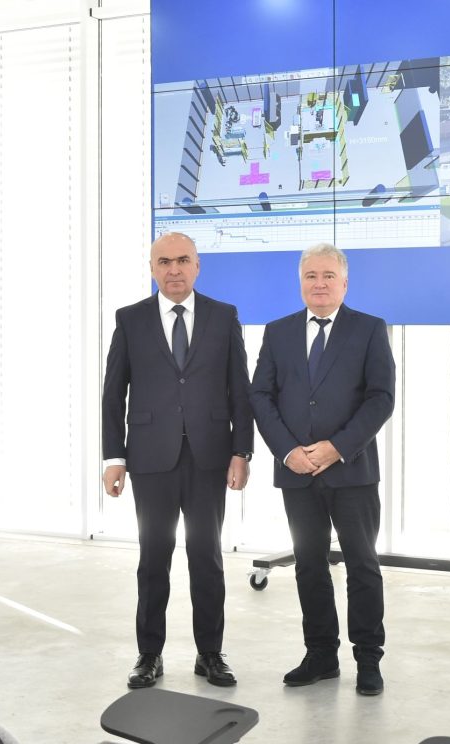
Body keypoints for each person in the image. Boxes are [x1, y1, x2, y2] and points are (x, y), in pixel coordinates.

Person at [102, 232, 254, 689]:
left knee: (207, 557)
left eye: (183, 260)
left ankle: (210, 653)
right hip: (150, 458)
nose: (174, 270)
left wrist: (241, 451)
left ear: (197, 266)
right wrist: (114, 457)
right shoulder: (130, 319)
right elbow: (113, 393)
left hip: (210, 456)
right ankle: (149, 654)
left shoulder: (223, 316)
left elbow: (240, 389)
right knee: (153, 559)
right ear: (152, 268)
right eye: (164, 262)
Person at [249, 243, 395, 696]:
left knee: (362, 566)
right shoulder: (278, 332)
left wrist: (337, 447)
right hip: (296, 471)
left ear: (344, 283)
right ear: (300, 282)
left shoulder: (369, 329)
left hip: (352, 470)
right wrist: (287, 452)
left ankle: (367, 659)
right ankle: (321, 656)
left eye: (328, 275)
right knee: (309, 566)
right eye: (311, 275)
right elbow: (261, 397)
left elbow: (381, 398)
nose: (319, 283)